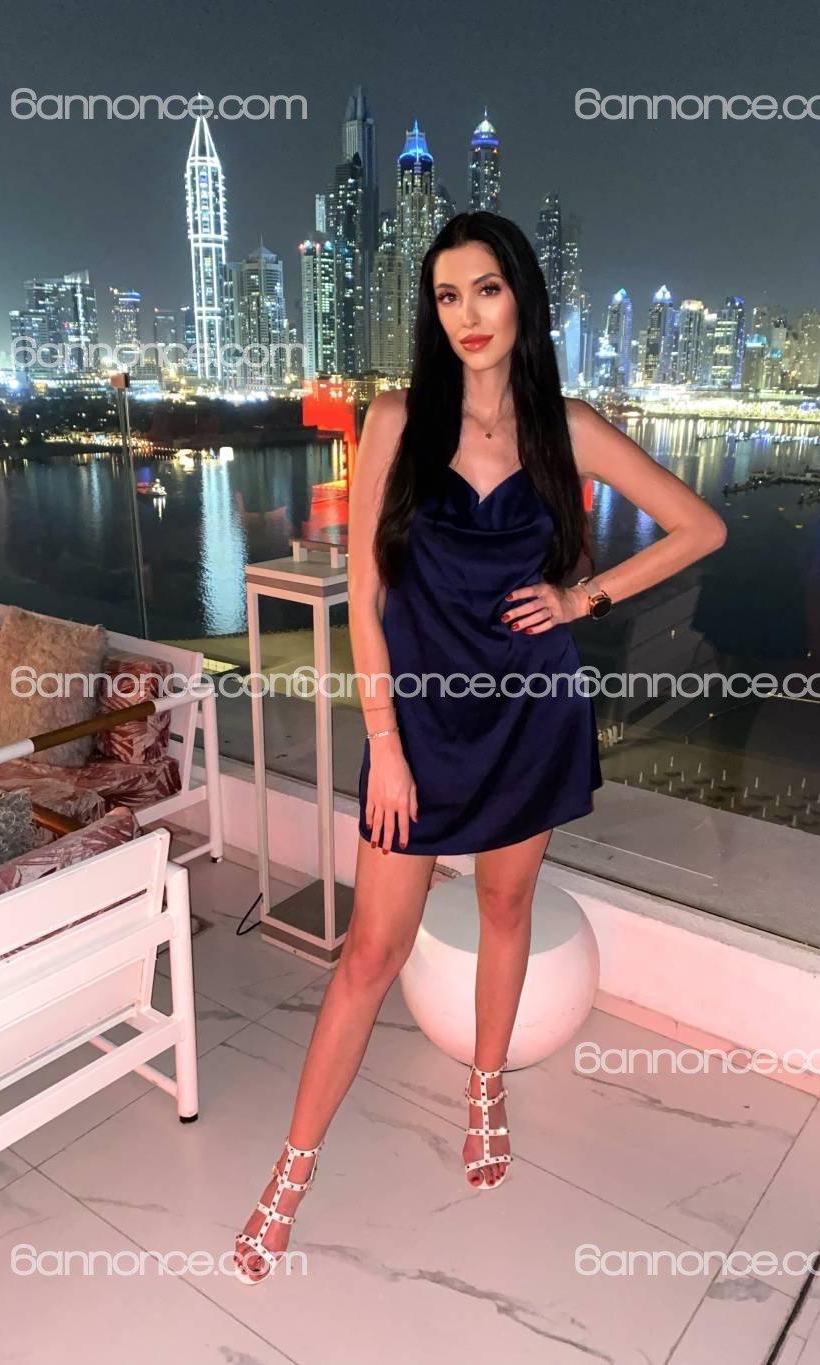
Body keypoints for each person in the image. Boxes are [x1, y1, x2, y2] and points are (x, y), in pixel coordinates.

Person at [233, 211, 726, 1284]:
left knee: (506, 908)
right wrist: (385, 744)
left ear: (522, 300)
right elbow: (367, 594)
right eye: (447, 295)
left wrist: (583, 598)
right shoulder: (397, 418)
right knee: (369, 956)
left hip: (530, 713)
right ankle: (290, 1171)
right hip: (416, 726)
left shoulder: (568, 427)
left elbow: (701, 527)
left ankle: (486, 1086)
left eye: (486, 289)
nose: (467, 314)